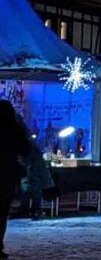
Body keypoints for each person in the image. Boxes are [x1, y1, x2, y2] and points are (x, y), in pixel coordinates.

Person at [0, 101, 30, 259]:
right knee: (2, 213)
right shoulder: (15, 129)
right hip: (7, 176)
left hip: (7, 174)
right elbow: (25, 149)